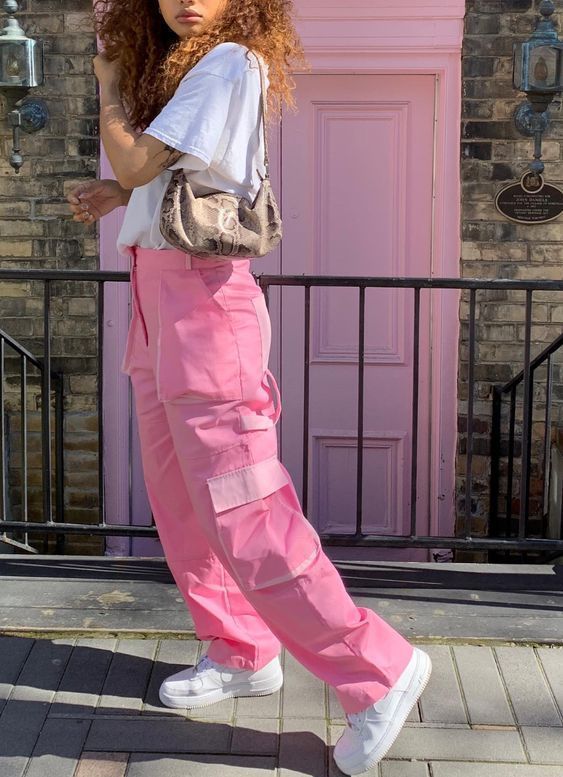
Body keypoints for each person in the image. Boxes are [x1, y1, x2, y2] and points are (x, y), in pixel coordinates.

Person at [67, 1, 432, 773]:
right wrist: (118, 201)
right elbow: (166, 184)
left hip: (203, 305)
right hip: (156, 298)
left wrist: (103, 90)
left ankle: (378, 669)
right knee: (178, 500)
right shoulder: (193, 68)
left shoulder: (229, 60)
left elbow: (138, 163)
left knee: (245, 508)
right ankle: (239, 649)